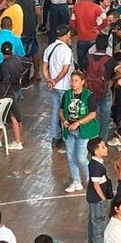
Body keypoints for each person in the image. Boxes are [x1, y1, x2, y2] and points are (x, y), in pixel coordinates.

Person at [60, 70, 99, 193]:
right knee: (71, 157)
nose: (73, 83)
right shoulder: (67, 95)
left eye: (76, 80)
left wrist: (79, 122)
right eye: (72, 80)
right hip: (70, 131)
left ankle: (90, 178)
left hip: (83, 131)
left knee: (81, 157)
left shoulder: (89, 95)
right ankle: (76, 181)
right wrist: (64, 120)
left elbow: (93, 114)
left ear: (82, 82)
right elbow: (61, 110)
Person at [44, 25, 74, 153]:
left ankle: (55, 137)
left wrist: (49, 80)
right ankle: (66, 141)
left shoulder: (49, 48)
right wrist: (55, 80)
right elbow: (65, 69)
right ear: (66, 35)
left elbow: (44, 66)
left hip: (54, 87)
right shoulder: (66, 50)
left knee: (55, 110)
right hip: (64, 87)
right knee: (66, 114)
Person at [87, 137, 112, 243]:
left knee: (94, 221)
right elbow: (95, 184)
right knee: (99, 223)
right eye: (102, 147)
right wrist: (103, 198)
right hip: (97, 200)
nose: (106, 148)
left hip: (94, 199)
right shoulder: (96, 166)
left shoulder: (96, 163)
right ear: (96, 151)